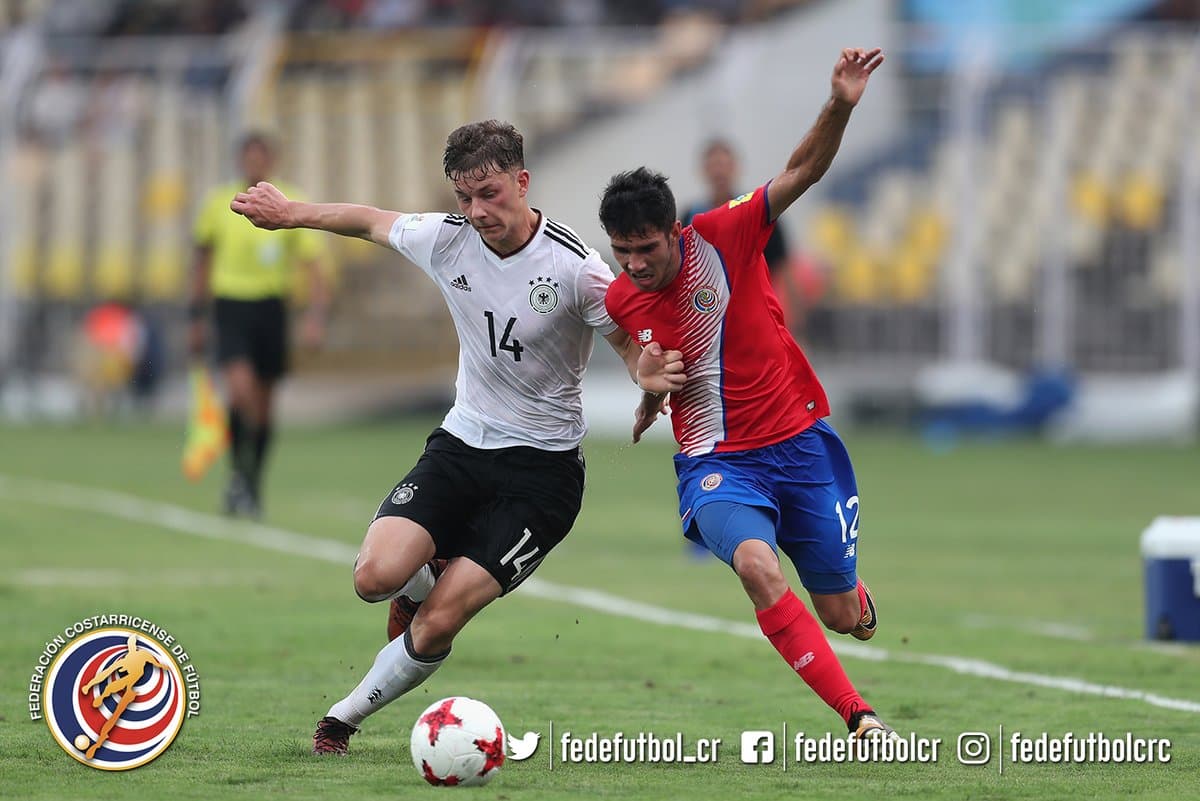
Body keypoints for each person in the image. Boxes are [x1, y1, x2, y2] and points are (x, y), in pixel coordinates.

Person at [230, 120, 682, 756]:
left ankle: (342, 719)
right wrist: (289, 214)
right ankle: (421, 579)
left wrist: (651, 383)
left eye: (490, 194)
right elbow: (366, 220)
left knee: (441, 617)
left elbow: (633, 353)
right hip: (462, 446)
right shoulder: (448, 240)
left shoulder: (577, 268)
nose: (477, 212)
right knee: (374, 578)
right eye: (464, 199)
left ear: (522, 182)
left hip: (541, 477)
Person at [600, 48, 894, 739]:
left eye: (646, 248)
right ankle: (859, 714)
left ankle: (854, 599)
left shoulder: (724, 234)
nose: (636, 265)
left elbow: (802, 171)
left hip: (798, 444)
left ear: (674, 230)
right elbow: (639, 351)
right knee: (758, 567)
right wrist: (645, 383)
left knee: (842, 615)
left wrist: (840, 104)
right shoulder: (620, 296)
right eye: (623, 253)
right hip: (718, 464)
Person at [188, 131, 329, 518]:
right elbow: (202, 258)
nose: (254, 164)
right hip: (231, 306)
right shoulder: (219, 203)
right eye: (248, 157)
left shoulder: (288, 201)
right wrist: (196, 316)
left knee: (265, 407)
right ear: (240, 161)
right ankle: (237, 473)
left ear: (271, 161)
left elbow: (312, 263)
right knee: (239, 392)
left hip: (271, 308)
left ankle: (251, 482)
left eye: (261, 157)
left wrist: (315, 315)